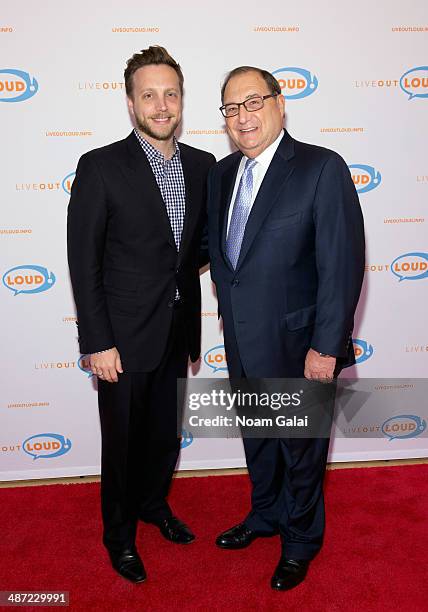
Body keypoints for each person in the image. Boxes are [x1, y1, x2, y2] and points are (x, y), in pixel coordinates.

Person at [207, 65, 365, 590]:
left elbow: (341, 266)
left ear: (279, 103)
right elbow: (226, 256)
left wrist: (326, 348)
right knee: (259, 439)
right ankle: (266, 515)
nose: (242, 117)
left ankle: (300, 541)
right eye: (231, 108)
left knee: (302, 448)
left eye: (253, 103)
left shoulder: (321, 168)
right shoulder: (223, 174)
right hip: (242, 341)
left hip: (301, 345)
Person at [67, 46, 215, 583]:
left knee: (164, 437)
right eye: (148, 94)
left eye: (170, 93)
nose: (161, 104)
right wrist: (96, 341)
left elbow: (194, 247)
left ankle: (154, 506)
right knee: (124, 442)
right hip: (122, 339)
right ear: (131, 103)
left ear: (181, 100)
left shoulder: (202, 166)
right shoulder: (100, 167)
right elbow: (83, 263)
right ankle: (119, 535)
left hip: (177, 330)